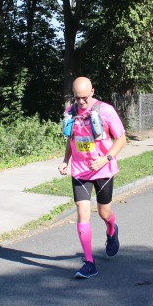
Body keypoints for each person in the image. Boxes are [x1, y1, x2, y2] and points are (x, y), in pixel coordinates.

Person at [58, 77, 127, 279]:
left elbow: (121, 139)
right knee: (82, 212)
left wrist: (105, 159)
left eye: (84, 98)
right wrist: (66, 160)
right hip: (80, 171)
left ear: (92, 92)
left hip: (103, 170)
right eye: (76, 98)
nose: (80, 102)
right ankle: (89, 263)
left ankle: (112, 229)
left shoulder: (106, 111)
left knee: (104, 213)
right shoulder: (70, 112)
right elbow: (71, 140)